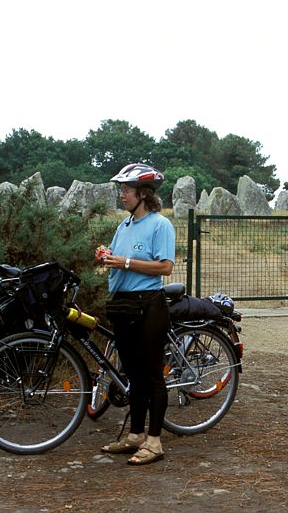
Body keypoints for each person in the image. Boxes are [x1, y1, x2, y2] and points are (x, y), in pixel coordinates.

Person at [96, 163, 175, 466]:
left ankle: (155, 442)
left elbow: (165, 267)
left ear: (143, 193)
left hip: (149, 305)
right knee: (133, 375)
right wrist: (106, 257)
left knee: (151, 375)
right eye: (122, 190)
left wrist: (126, 262)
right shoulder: (124, 226)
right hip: (124, 305)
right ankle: (136, 435)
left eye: (126, 190)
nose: (122, 195)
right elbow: (118, 260)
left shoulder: (160, 225)